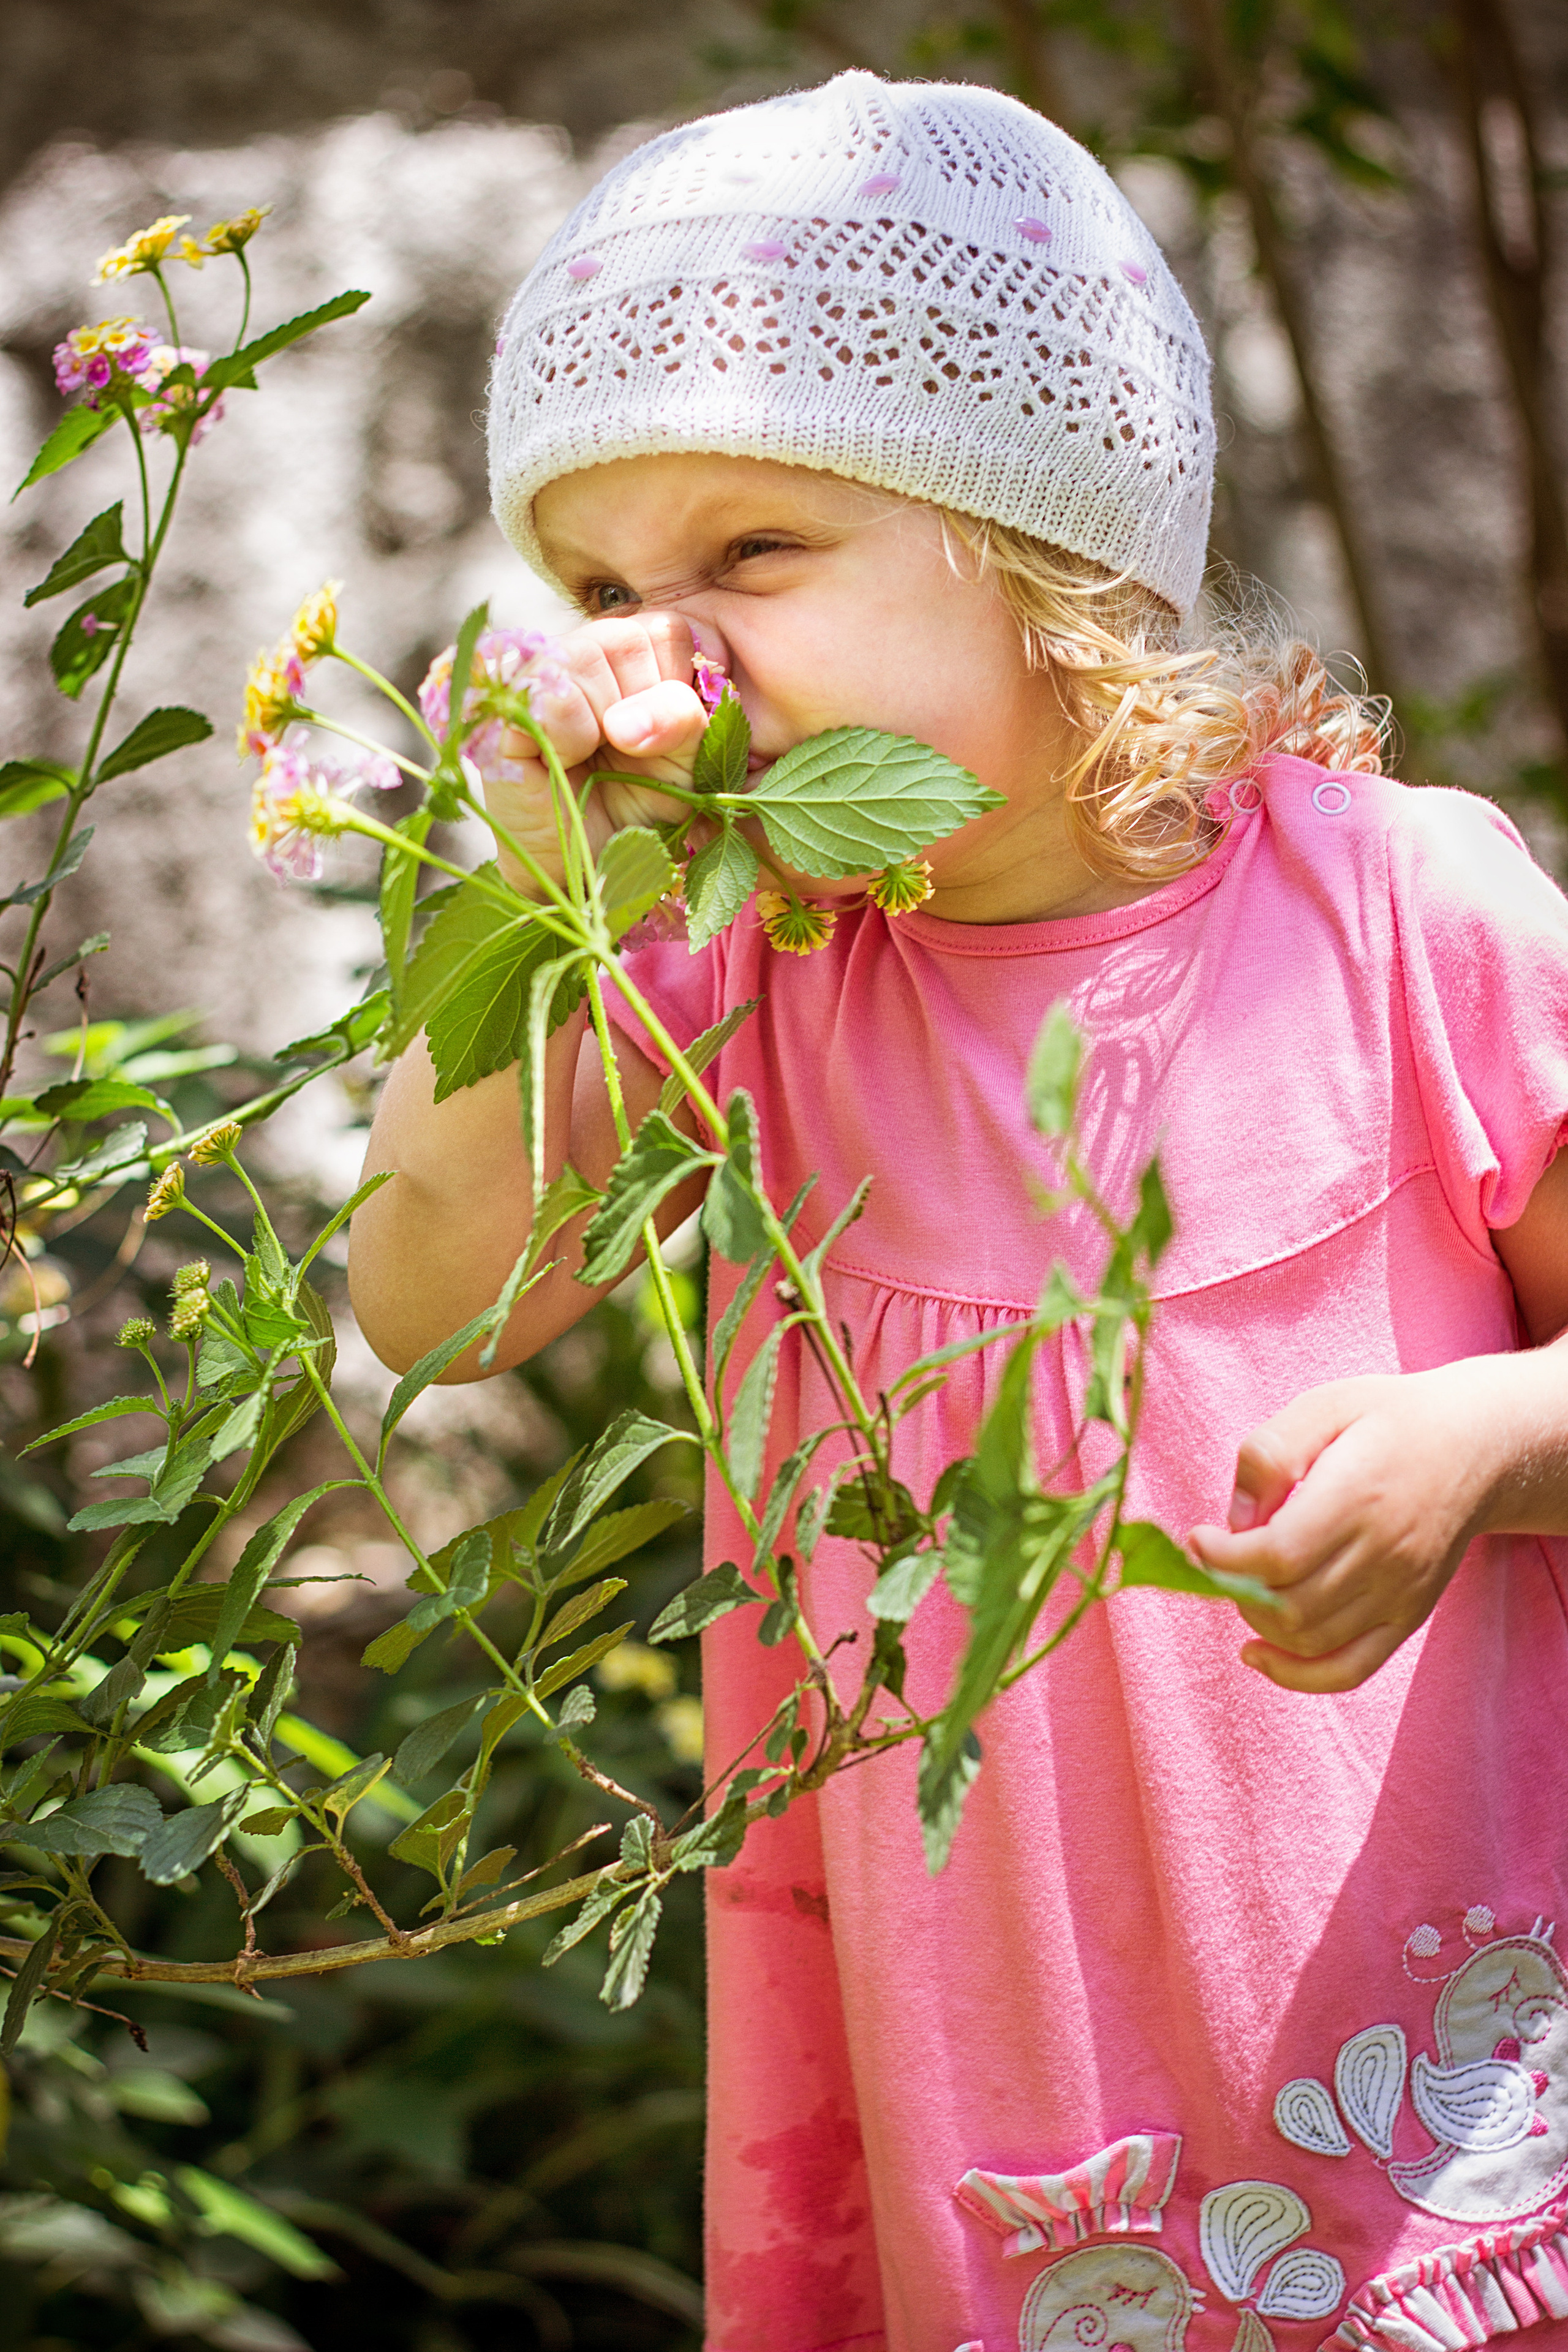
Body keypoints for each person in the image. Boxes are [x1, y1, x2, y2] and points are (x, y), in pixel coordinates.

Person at [349, 70, 1568, 2352]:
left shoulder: (1410, 917)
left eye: (750, 557)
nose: (662, 655)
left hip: (1444, 2065)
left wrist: (1489, 1441)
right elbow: (431, 1311)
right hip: (1011, 2086)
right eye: (601, 587)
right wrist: (538, 912)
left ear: (1033, 546)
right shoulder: (745, 983)